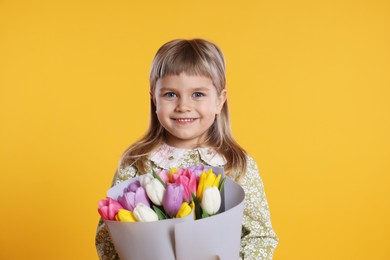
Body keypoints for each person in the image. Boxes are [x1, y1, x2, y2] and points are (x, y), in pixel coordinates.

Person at [95, 38, 278, 259]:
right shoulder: (137, 162)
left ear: (220, 101)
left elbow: (260, 236)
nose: (183, 106)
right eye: (170, 94)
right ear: (154, 100)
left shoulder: (236, 164)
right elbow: (108, 236)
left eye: (198, 94)